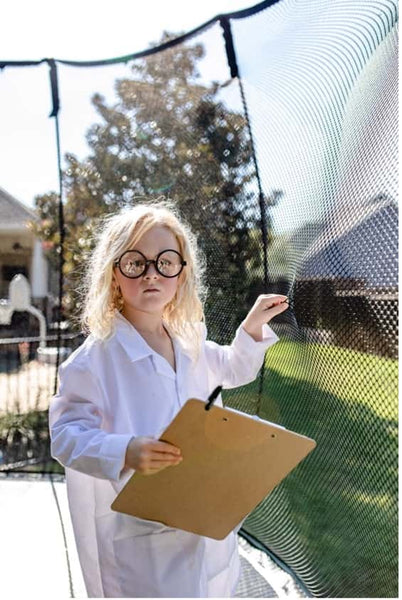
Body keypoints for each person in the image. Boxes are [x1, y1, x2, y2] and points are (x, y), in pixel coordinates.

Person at [49, 201, 289, 598]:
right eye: (135, 263)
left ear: (182, 274)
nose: (151, 274)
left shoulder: (190, 341)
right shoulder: (93, 361)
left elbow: (233, 369)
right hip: (141, 529)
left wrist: (251, 328)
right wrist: (124, 450)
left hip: (202, 507)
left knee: (210, 585)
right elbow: (66, 436)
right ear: (114, 273)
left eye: (165, 262)